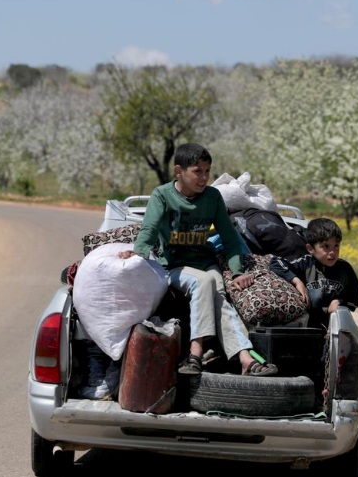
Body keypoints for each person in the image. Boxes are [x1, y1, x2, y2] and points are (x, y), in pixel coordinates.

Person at [118, 142, 278, 376]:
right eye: (197, 171)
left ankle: (241, 357)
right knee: (204, 282)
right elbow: (149, 230)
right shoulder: (162, 195)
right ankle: (197, 351)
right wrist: (138, 254)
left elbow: (230, 238)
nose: (204, 178)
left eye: (207, 171)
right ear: (178, 171)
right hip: (173, 266)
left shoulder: (212, 197)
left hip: (205, 263)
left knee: (218, 293)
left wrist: (237, 271)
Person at [269, 217, 358, 327]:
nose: (332, 252)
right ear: (310, 249)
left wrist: (341, 303)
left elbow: (355, 298)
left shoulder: (345, 269)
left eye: (336, 245)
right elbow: (276, 263)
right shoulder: (305, 263)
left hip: (334, 327)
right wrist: (296, 281)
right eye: (326, 246)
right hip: (306, 328)